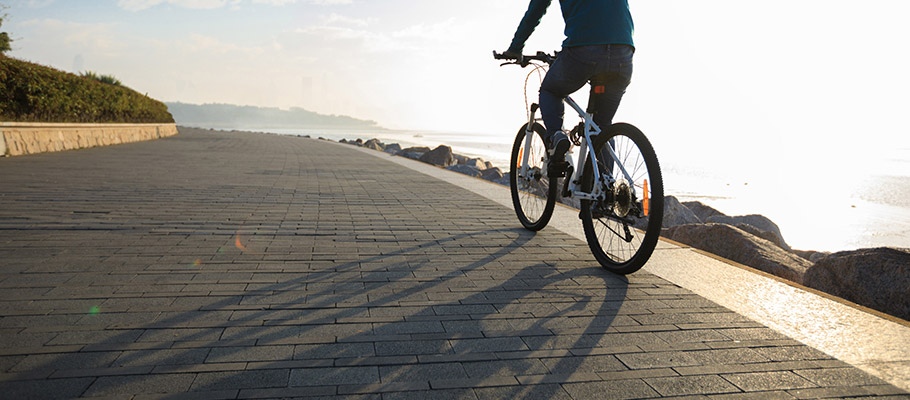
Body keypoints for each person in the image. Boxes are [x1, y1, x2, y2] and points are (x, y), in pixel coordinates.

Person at [502, 0, 634, 168]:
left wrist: (515, 48)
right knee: (602, 127)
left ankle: (557, 137)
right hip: (623, 53)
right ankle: (607, 187)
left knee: (551, 90)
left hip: (583, 49)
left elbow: (534, 13)